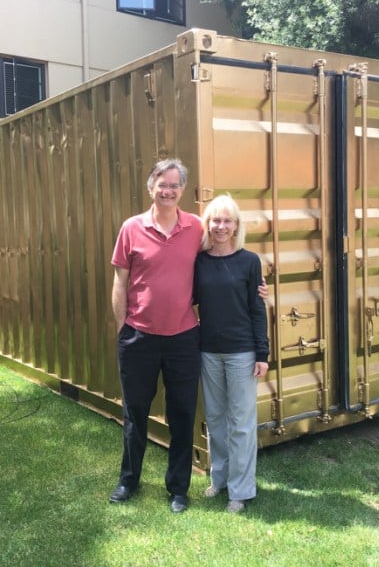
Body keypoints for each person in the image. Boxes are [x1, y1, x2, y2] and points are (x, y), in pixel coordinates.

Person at [108, 158, 202, 513]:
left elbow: (221, 260)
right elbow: (120, 282)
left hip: (183, 339)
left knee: (182, 414)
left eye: (175, 185)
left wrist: (252, 284)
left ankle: (178, 488)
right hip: (139, 338)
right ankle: (128, 480)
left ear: (182, 190)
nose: (168, 191)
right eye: (162, 184)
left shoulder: (196, 228)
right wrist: (124, 329)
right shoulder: (131, 228)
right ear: (151, 187)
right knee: (135, 414)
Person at [193, 194, 270, 513]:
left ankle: (241, 490)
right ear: (208, 224)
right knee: (215, 418)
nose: (221, 226)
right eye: (215, 220)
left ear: (236, 225)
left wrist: (262, 353)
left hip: (242, 353)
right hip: (208, 350)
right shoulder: (198, 261)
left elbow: (257, 308)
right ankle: (220, 479)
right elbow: (189, 298)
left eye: (227, 221)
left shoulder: (249, 261)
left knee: (240, 421)